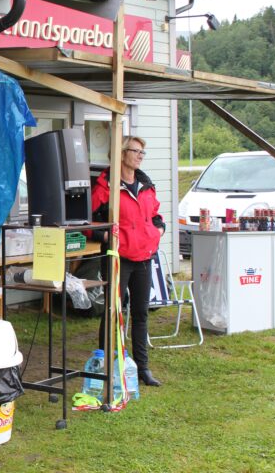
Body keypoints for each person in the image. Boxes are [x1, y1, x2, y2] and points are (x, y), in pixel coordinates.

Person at [92, 135, 165, 387]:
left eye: (143, 153)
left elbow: (156, 215)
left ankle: (142, 368)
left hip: (144, 257)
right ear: (122, 153)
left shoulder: (146, 185)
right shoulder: (106, 186)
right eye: (136, 151)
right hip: (119, 259)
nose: (140, 156)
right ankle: (104, 366)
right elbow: (88, 222)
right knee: (113, 312)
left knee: (141, 313)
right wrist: (107, 237)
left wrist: (158, 231)